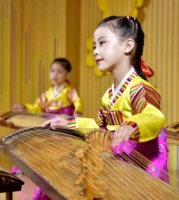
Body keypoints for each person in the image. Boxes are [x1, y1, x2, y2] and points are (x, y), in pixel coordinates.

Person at [42, 16, 168, 196]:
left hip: (140, 167)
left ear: (128, 46)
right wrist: (69, 123)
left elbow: (154, 116)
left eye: (102, 43)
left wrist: (132, 125)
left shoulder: (139, 88)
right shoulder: (109, 95)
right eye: (94, 46)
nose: (95, 51)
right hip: (117, 160)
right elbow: (99, 128)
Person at [13, 58, 85, 200]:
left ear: (67, 75)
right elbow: (37, 107)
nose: (55, 75)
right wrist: (25, 108)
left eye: (59, 72)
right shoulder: (48, 93)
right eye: (52, 71)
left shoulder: (69, 92)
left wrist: (78, 113)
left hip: (62, 130)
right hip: (48, 128)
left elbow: (79, 103)